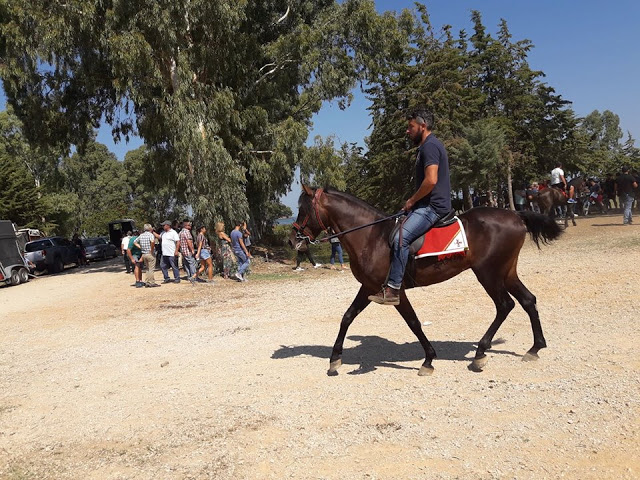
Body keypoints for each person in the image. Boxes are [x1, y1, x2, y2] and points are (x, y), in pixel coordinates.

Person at [369, 109, 451, 306]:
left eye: (411, 127)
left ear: (422, 126)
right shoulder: (427, 146)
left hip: (432, 207)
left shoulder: (429, 147)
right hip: (425, 205)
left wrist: (412, 200)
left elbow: (431, 180)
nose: (408, 131)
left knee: (400, 238)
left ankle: (394, 288)